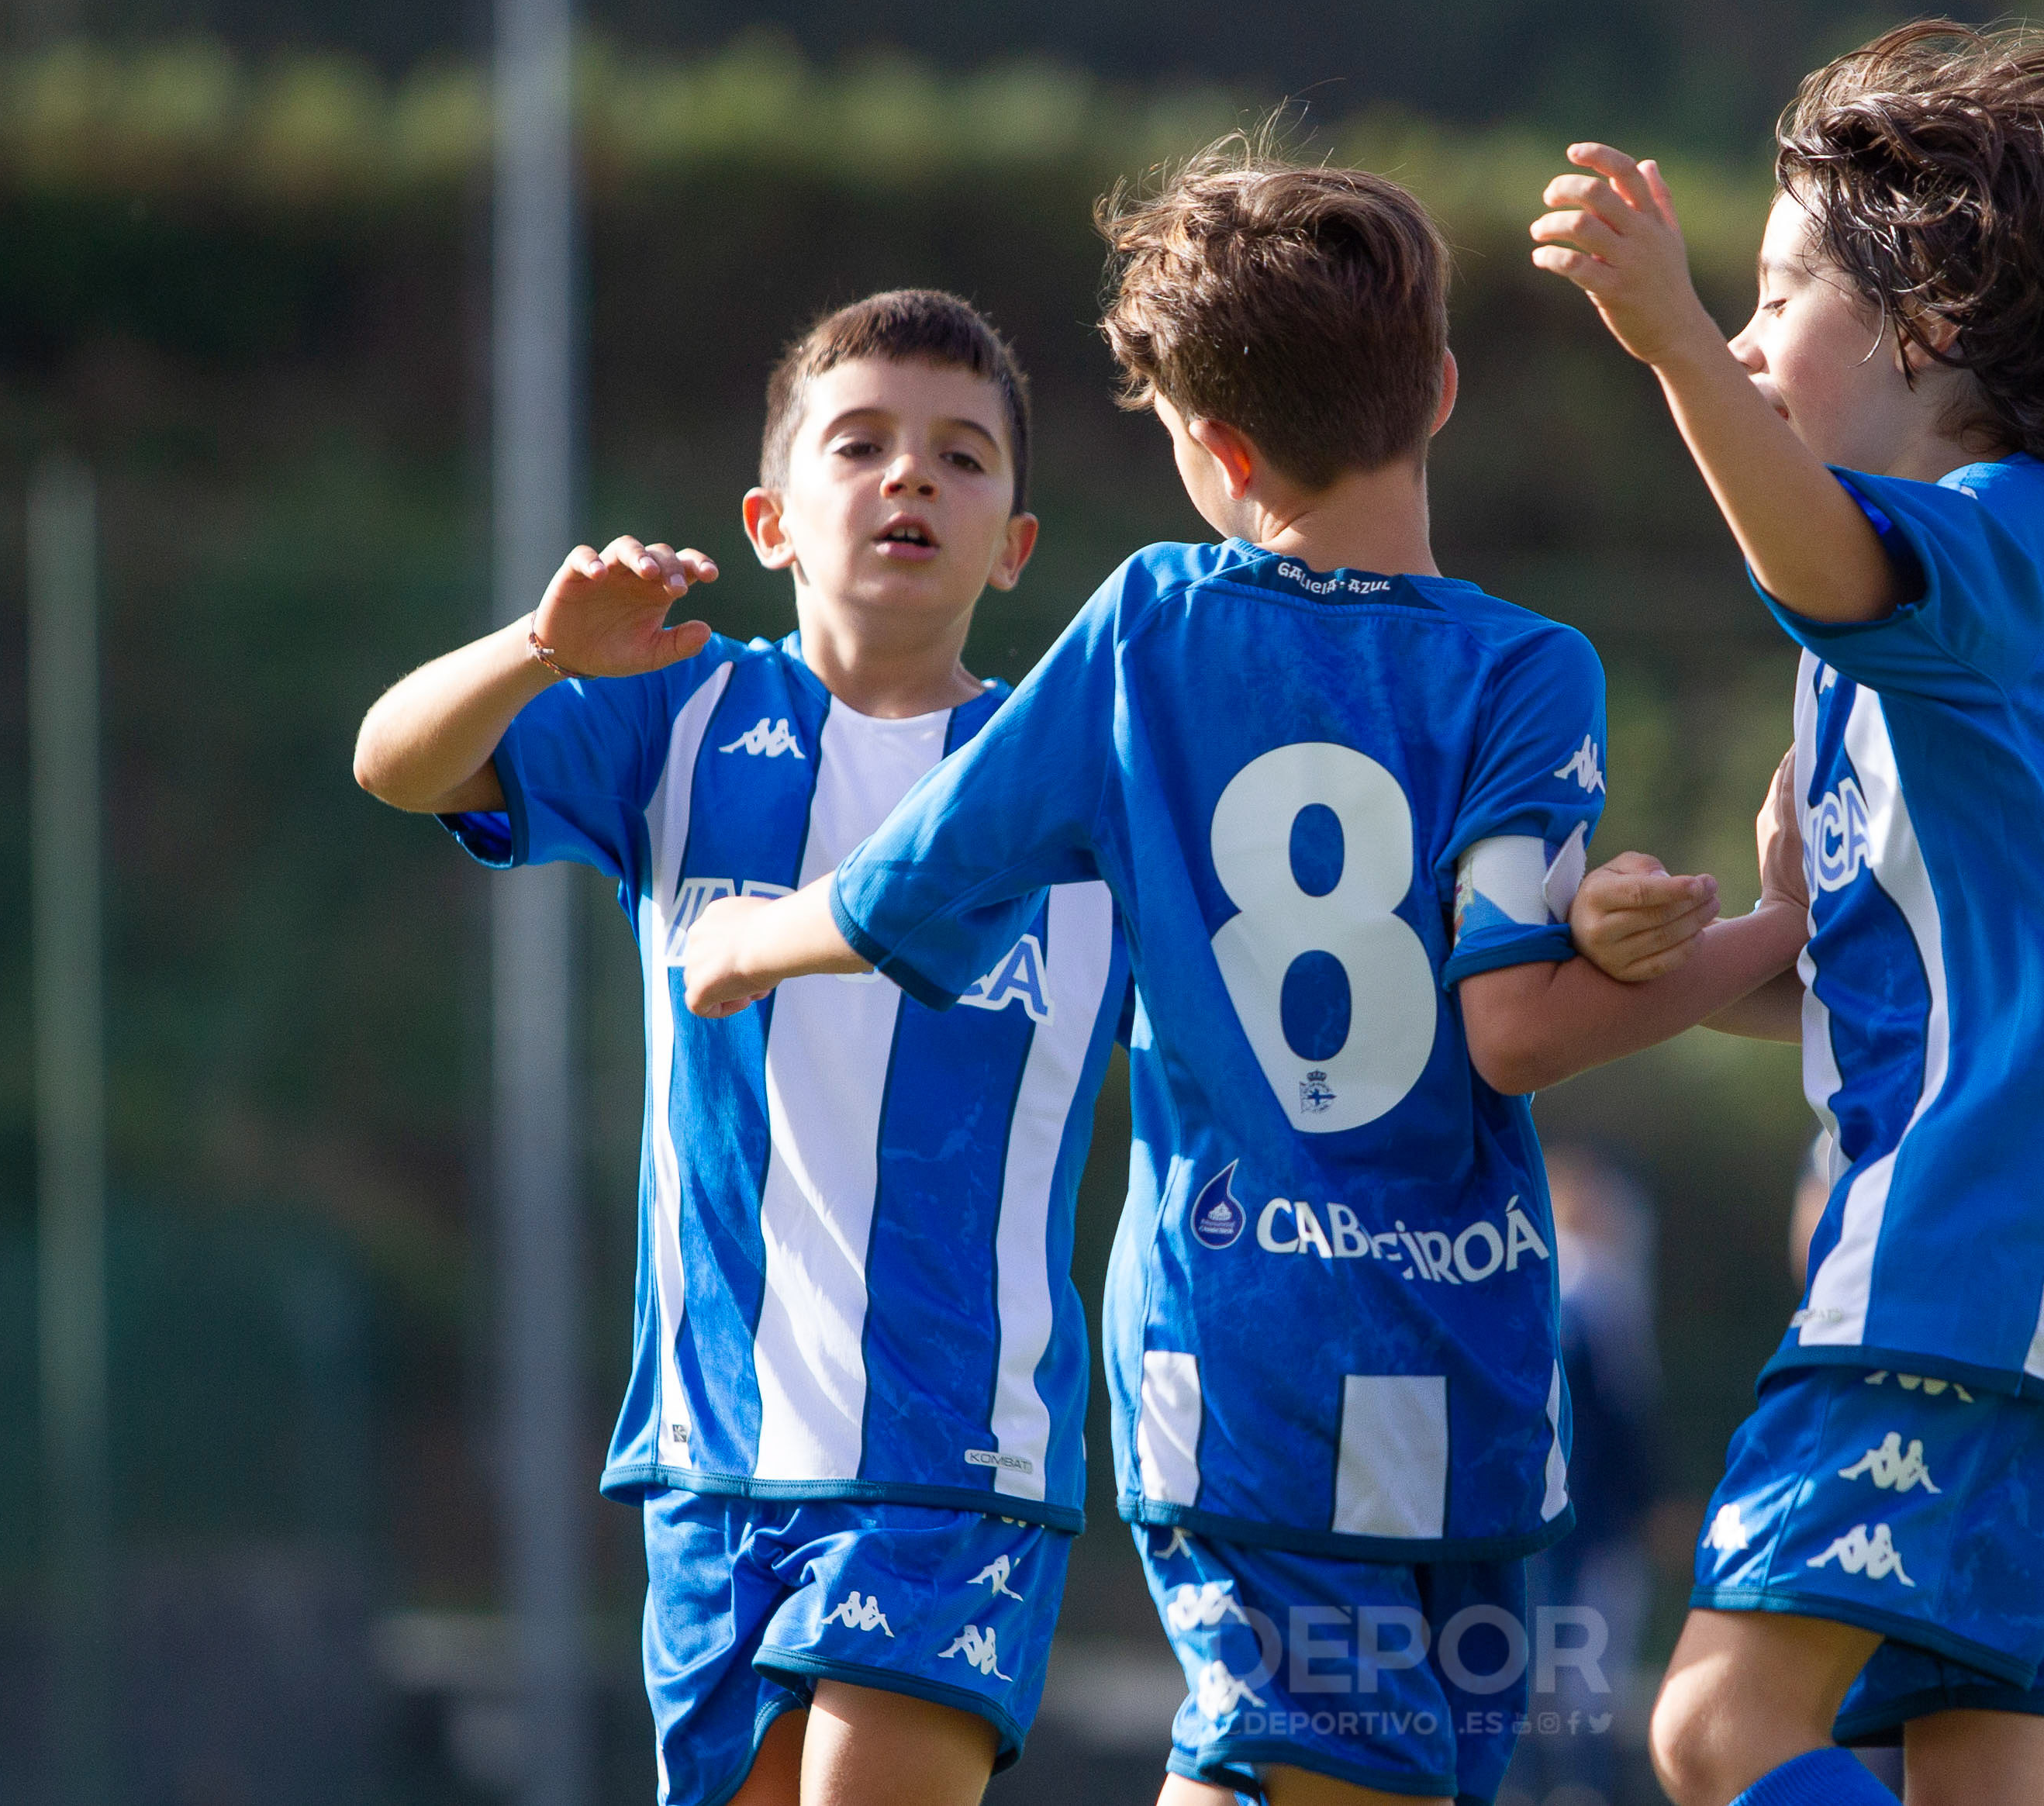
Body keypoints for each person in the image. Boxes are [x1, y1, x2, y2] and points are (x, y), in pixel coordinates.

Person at [676, 143, 1807, 1806]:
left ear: (1211, 450)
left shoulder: (1151, 630)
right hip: (1471, 1367)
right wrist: (1751, 941)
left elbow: (920, 883)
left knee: (1313, 1771)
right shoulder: (1529, 670)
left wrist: (738, 939)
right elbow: (1521, 1012)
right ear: (1436, 385)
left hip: (1240, 1360)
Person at [1531, 22, 2044, 1806]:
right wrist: (1709, 951)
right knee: (1975, 1776)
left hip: (1982, 1244)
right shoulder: (1912, 659)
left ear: (1928, 312)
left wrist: (1674, 339)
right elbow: (1895, 966)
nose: (1754, 337)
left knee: (1714, 1725)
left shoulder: (2000, 533)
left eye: (1780, 297)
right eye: (1743, 306)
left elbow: (1817, 557)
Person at [351, 291, 1125, 1806]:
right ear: (770, 518)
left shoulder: (1075, 769)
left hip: (955, 1457)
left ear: (1015, 545)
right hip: (712, 1455)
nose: (911, 477)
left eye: (964, 458)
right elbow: (396, 761)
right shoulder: (680, 716)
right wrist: (535, 647)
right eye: (863, 444)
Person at [1512, 1144, 1663, 1806]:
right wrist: (1648, 1504)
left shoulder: (1535, 1286)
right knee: (1581, 1688)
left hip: (1528, 1519)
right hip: (1587, 1522)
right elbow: (1625, 1420)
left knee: (1533, 1679)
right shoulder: (1598, 1293)